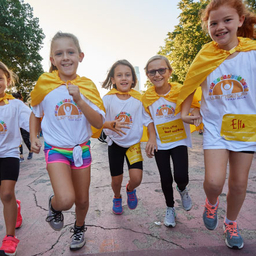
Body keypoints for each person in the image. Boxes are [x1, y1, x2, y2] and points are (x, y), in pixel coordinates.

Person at [177, 0, 256, 249]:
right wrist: (185, 112)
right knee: (213, 181)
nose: (220, 27)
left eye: (227, 20)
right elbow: (190, 84)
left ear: (240, 21)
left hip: (246, 128)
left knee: (239, 183)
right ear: (207, 27)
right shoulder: (206, 54)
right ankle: (211, 203)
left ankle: (230, 223)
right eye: (213, 23)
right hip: (214, 127)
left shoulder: (253, 52)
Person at [29, 32, 105, 251]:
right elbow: (35, 112)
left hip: (81, 149)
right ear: (52, 59)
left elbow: (99, 123)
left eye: (70, 52)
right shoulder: (45, 84)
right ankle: (55, 205)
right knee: (65, 199)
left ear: (80, 56)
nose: (65, 57)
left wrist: (79, 99)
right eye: (59, 53)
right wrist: (33, 137)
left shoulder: (87, 86)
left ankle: (79, 227)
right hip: (56, 150)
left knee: (81, 200)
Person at [142, 55, 201, 228]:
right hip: (161, 143)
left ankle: (182, 189)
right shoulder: (146, 98)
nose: (157, 75)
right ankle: (170, 208)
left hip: (179, 140)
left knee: (181, 176)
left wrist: (194, 114)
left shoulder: (181, 91)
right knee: (165, 178)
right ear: (147, 75)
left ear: (170, 72)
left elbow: (195, 105)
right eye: (152, 72)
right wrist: (152, 137)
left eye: (161, 70)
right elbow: (147, 119)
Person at [102, 59, 157, 215]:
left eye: (127, 75)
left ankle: (130, 189)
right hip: (115, 144)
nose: (124, 78)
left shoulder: (139, 100)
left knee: (137, 178)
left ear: (133, 79)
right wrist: (108, 125)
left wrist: (152, 138)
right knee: (116, 180)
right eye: (119, 75)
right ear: (113, 80)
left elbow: (149, 120)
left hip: (133, 145)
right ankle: (117, 196)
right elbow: (97, 120)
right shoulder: (107, 99)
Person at [0, 61, 31, 255]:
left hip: (9, 153)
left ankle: (10, 238)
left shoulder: (16, 105)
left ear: (7, 80)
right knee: (4, 196)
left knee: (6, 194)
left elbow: (33, 123)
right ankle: (15, 208)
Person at [12, 92, 33, 161]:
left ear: (19, 98)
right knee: (18, 140)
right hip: (16, 126)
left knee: (25, 139)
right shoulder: (10, 106)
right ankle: (21, 155)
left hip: (24, 125)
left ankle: (30, 150)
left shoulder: (23, 105)